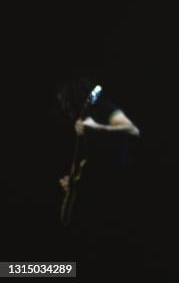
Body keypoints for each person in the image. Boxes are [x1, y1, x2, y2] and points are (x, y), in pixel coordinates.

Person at [57, 77, 140, 282]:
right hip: (90, 202)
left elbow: (132, 130)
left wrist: (96, 128)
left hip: (110, 198)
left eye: (68, 104)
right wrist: (73, 181)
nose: (67, 110)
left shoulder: (105, 109)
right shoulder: (82, 120)